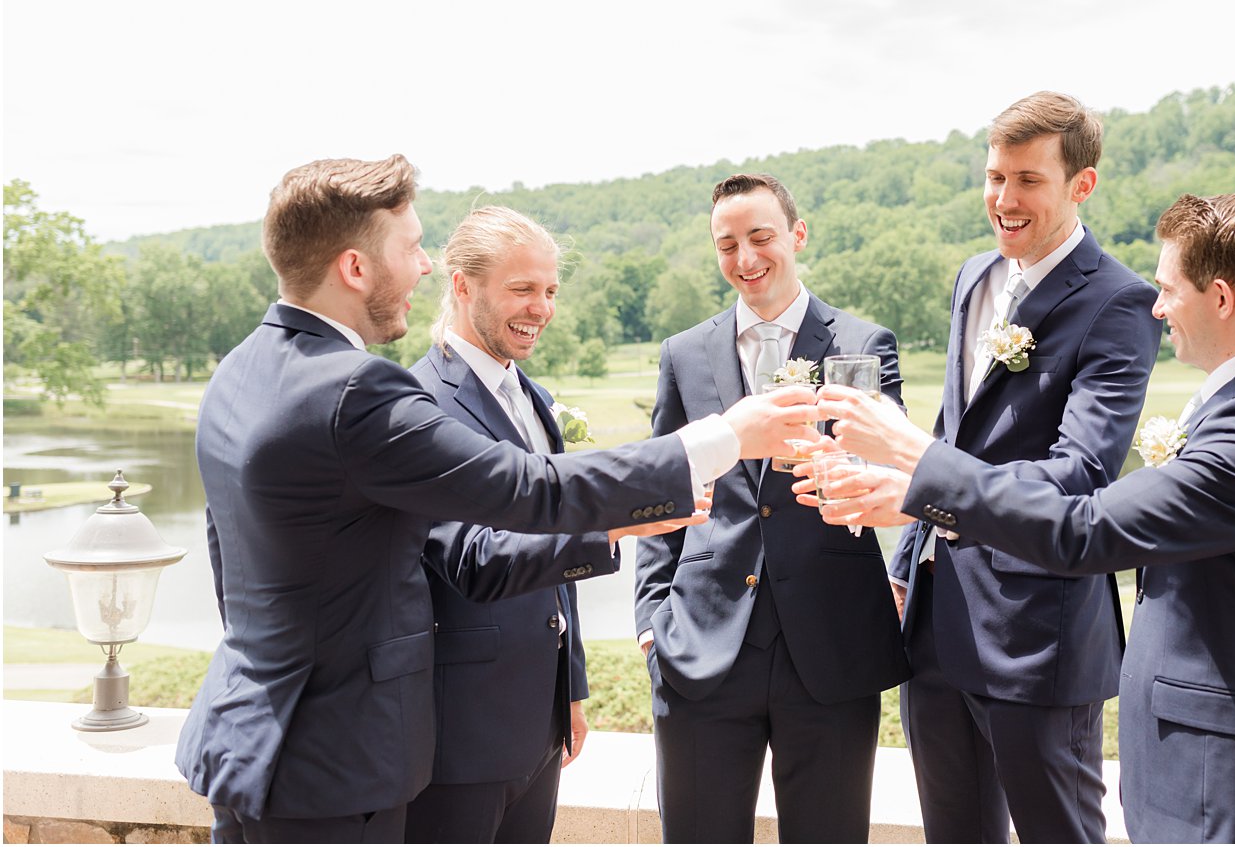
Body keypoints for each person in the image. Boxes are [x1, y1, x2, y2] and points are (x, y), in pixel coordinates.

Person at [175, 155, 816, 844]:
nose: (423, 265)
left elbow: (227, 563)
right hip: (335, 764)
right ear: (356, 267)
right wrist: (724, 435)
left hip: (245, 741)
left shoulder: (238, 371)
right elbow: (527, 489)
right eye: (411, 246)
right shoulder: (358, 391)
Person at [812, 193, 1235, 843]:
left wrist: (916, 455)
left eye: (1168, 288)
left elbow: (1084, 528)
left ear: (1221, 297)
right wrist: (919, 494)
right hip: (1208, 773)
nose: (1158, 307)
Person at [885, 92, 1160, 843]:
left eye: (1028, 181)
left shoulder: (1119, 303)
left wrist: (920, 484)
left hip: (1039, 634)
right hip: (938, 622)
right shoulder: (974, 277)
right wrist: (908, 557)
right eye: (993, 175)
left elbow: (1079, 475)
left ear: (1082, 185)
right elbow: (956, 428)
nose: (1003, 200)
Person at [633, 173, 910, 843]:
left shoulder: (863, 344)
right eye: (727, 244)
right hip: (700, 647)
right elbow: (659, 485)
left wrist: (896, 562)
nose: (745, 258)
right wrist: (650, 619)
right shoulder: (684, 353)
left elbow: (901, 471)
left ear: (797, 234)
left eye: (760, 237)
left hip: (832, 650)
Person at [403, 207, 613, 843]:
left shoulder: (537, 398)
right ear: (461, 284)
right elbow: (468, 556)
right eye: (522, 289)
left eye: (550, 290)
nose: (541, 308)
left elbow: (551, 556)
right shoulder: (420, 405)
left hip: (539, 726)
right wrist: (617, 524)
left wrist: (569, 686)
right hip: (460, 735)